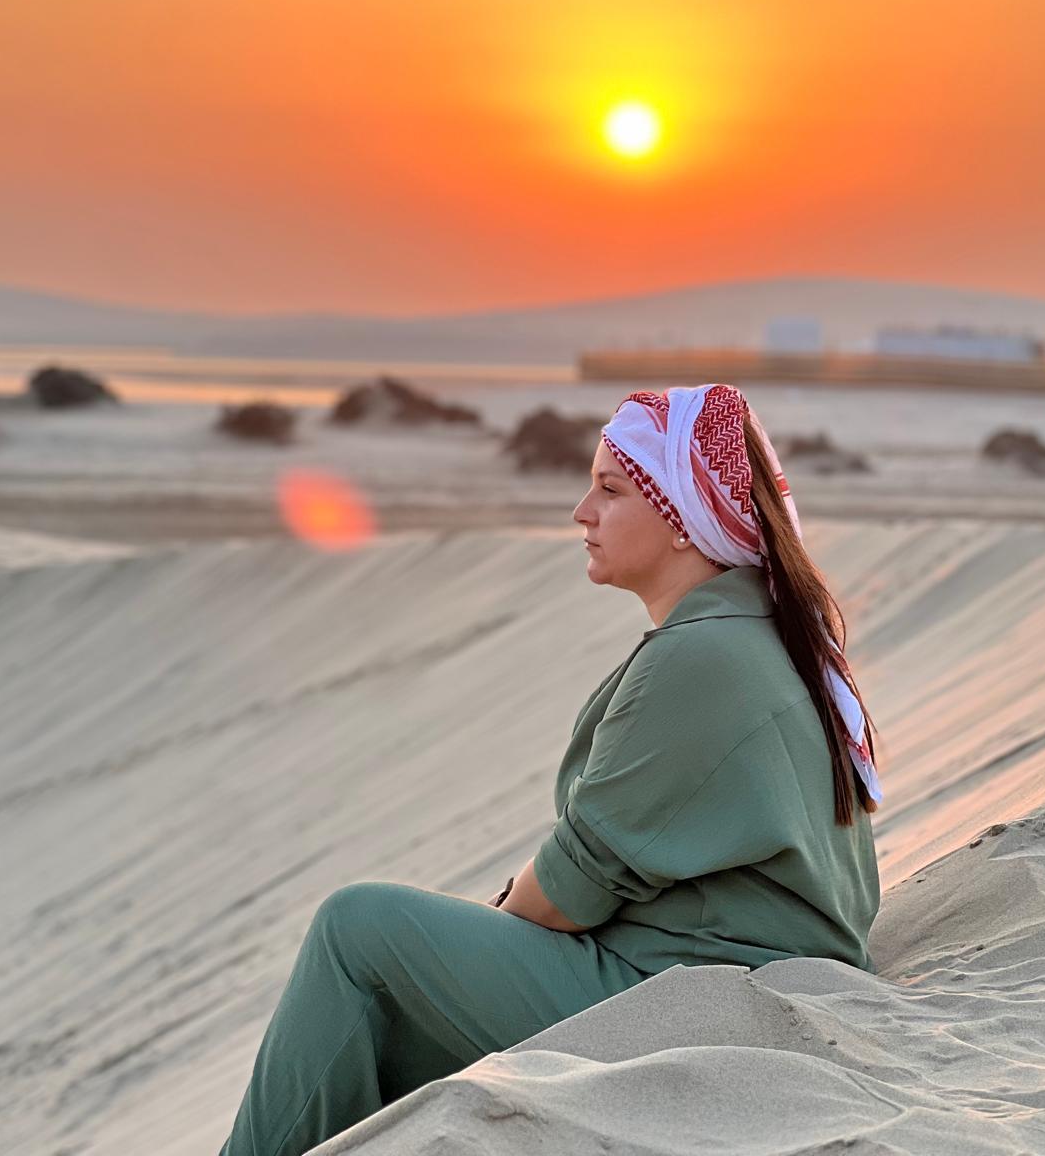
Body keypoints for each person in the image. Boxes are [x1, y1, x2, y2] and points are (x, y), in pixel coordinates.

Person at [216, 383, 883, 1155]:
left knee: (357, 928)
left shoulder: (704, 658)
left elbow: (571, 890)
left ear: (682, 518)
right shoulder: (758, 634)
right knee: (387, 1021)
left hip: (699, 1003)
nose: (581, 512)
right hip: (723, 988)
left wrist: (501, 921)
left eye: (611, 490)